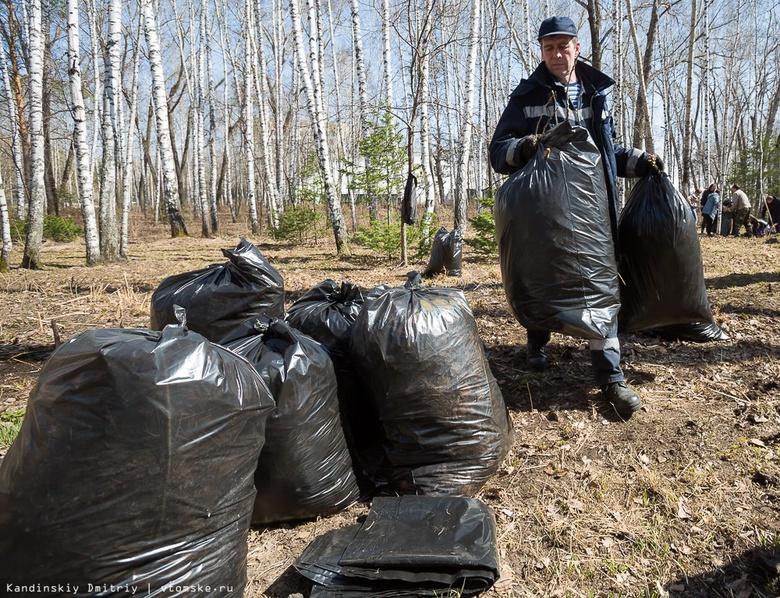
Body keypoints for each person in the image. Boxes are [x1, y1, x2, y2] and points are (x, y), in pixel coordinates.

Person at [489, 15, 664, 417]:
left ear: (577, 48)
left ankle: (611, 380)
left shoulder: (595, 94)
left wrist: (640, 161)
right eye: (548, 47)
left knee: (599, 288)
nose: (555, 54)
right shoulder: (527, 96)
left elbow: (609, 152)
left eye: (562, 46)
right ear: (542, 51)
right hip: (542, 215)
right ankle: (537, 342)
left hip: (592, 214)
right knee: (541, 276)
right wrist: (530, 145)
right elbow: (498, 151)